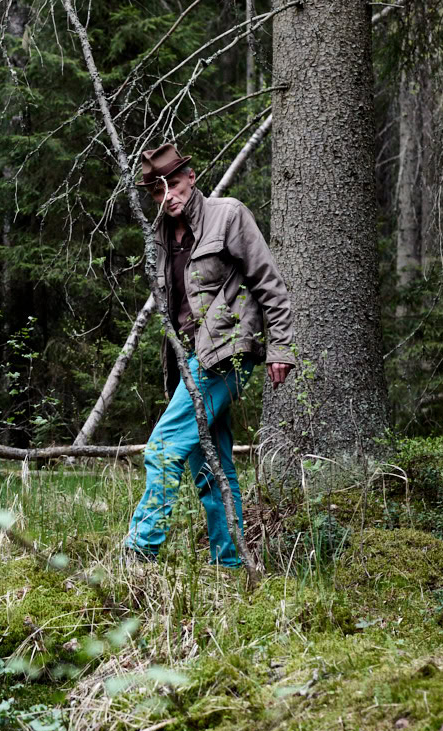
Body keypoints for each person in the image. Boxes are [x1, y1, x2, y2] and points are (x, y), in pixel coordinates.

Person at [123, 143, 295, 568]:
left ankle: (139, 554)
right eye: (158, 191)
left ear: (191, 177)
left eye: (173, 184)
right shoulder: (161, 237)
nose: (168, 196)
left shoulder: (228, 215)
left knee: (163, 449)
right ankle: (231, 563)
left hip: (227, 351)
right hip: (190, 358)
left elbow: (269, 283)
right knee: (210, 464)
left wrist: (280, 347)